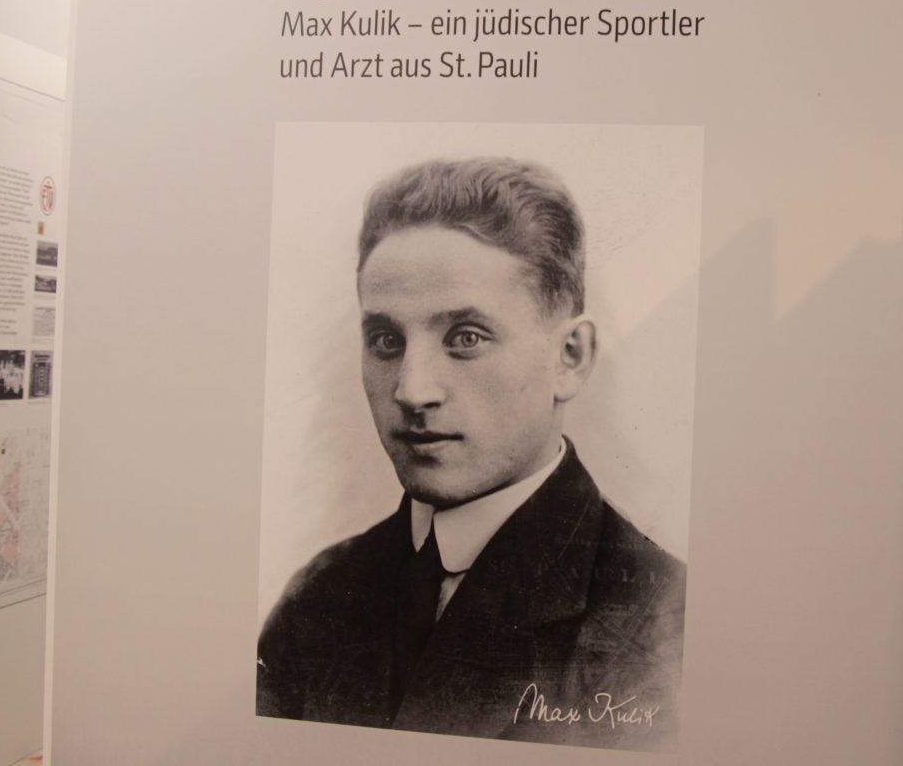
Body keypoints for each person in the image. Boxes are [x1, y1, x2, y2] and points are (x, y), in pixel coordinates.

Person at [256, 158, 686, 750]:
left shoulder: (660, 621)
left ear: (570, 357)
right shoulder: (319, 597)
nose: (411, 390)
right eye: (386, 341)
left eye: (465, 338)